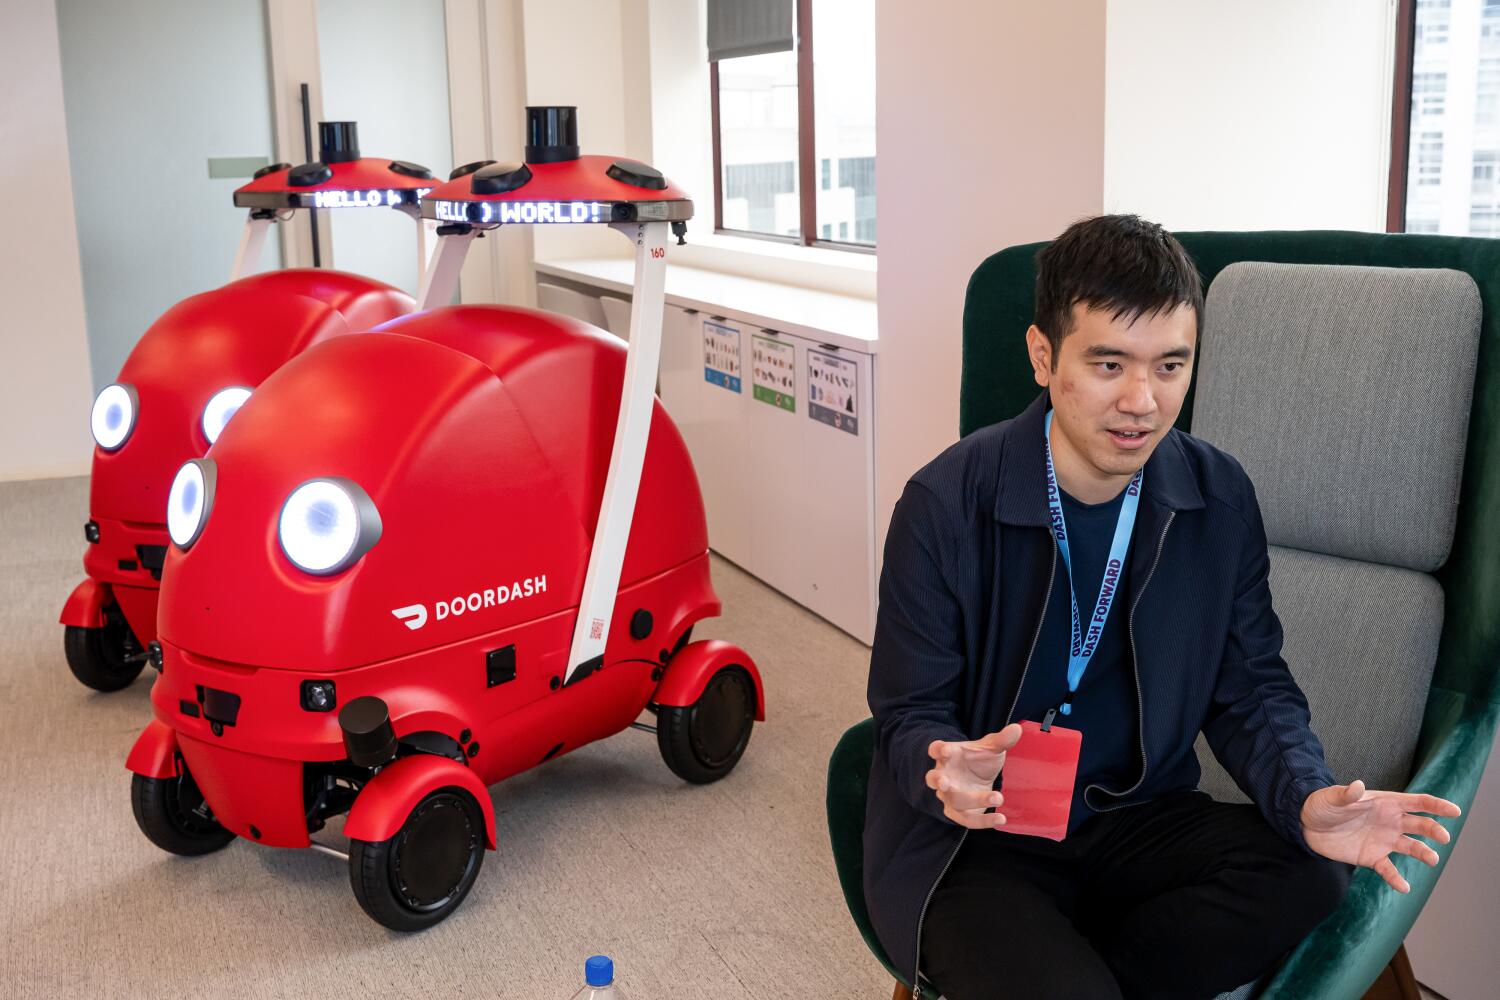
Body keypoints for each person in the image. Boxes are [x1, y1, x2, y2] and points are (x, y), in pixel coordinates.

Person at [861, 215, 1462, 1000]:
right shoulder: (945, 503)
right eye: (1108, 363)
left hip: (1134, 815)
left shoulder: (1217, 496)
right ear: (1044, 356)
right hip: (982, 841)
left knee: (1308, 872)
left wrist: (1308, 794)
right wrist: (942, 766)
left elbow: (1251, 686)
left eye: (1171, 365)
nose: (1142, 401)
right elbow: (908, 711)